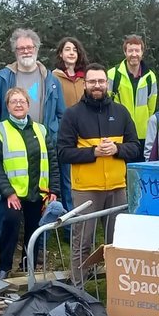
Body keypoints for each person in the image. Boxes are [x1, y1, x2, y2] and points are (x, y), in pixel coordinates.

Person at [0, 28, 65, 259]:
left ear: (36, 49)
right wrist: (0, 135)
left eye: (29, 47)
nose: (26, 51)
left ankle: (37, 250)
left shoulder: (50, 78)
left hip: (38, 146)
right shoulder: (4, 76)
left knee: (41, 203)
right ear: (15, 50)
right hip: (9, 148)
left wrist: (50, 135)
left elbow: (61, 113)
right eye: (21, 48)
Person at [58, 63, 142, 283]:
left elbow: (135, 147)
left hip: (117, 188)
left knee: (117, 241)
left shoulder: (121, 112)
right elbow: (63, 152)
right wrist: (93, 152)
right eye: (92, 81)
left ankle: (118, 288)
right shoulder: (72, 114)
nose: (97, 85)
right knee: (82, 242)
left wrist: (117, 149)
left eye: (101, 81)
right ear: (85, 84)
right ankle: (79, 289)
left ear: (107, 83)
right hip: (86, 189)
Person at [0, 88, 60, 279]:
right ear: (8, 106)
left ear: (28, 105)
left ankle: (28, 266)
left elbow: (52, 160)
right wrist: (8, 192)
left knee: (34, 229)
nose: (18, 105)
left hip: (38, 191)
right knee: (11, 225)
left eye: (22, 101)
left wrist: (54, 189)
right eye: (14, 102)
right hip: (13, 193)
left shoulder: (41, 129)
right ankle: (4, 267)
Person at [52, 36, 89, 214]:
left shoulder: (86, 78)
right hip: (65, 135)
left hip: (86, 136)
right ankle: (69, 226)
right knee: (67, 181)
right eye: (67, 49)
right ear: (60, 53)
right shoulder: (52, 77)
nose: (71, 52)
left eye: (74, 49)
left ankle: (85, 217)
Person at [106, 34, 157, 153]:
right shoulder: (113, 75)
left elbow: (151, 108)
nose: (134, 54)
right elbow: (107, 104)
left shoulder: (150, 77)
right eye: (130, 51)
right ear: (125, 52)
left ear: (142, 53)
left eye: (137, 50)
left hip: (143, 135)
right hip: (119, 133)